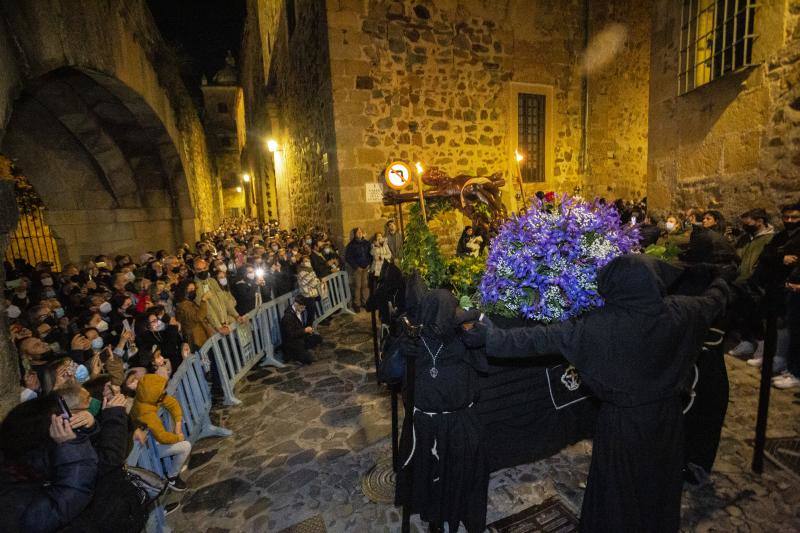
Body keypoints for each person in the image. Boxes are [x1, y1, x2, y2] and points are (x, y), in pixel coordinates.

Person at [467, 255, 730, 532]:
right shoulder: (683, 312)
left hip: (623, 424)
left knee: (619, 490)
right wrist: (723, 280)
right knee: (658, 484)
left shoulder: (601, 327)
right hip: (667, 419)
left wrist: (488, 337)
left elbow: (537, 340)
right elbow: (714, 301)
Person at [0, 395, 99, 532]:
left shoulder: (19, 460)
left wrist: (86, 429)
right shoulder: (14, 502)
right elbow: (69, 496)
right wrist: (73, 446)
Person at [130, 373, 190, 491]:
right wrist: (178, 438)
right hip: (145, 451)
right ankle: (172, 476)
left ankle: (168, 469)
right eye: (161, 392)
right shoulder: (146, 411)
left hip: (150, 442)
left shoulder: (147, 397)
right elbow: (162, 437)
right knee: (186, 446)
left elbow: (173, 404)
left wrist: (178, 424)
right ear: (153, 394)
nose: (164, 394)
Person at [279, 295, 321, 365]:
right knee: (309, 359)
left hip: (300, 338)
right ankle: (295, 355)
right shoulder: (288, 317)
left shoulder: (298, 311)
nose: (303, 309)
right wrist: (304, 330)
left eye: (304, 307)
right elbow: (291, 334)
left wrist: (307, 331)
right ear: (296, 305)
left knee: (318, 338)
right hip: (292, 343)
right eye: (302, 307)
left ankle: (304, 350)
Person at [345, 227, 371, 312]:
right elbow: (348, 257)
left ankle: (366, 302)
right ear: (355, 234)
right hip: (357, 269)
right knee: (357, 286)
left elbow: (370, 254)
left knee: (365, 285)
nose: (360, 233)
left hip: (365, 268)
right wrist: (356, 267)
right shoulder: (351, 245)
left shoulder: (366, 243)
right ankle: (357, 304)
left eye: (361, 232)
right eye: (358, 232)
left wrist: (368, 264)